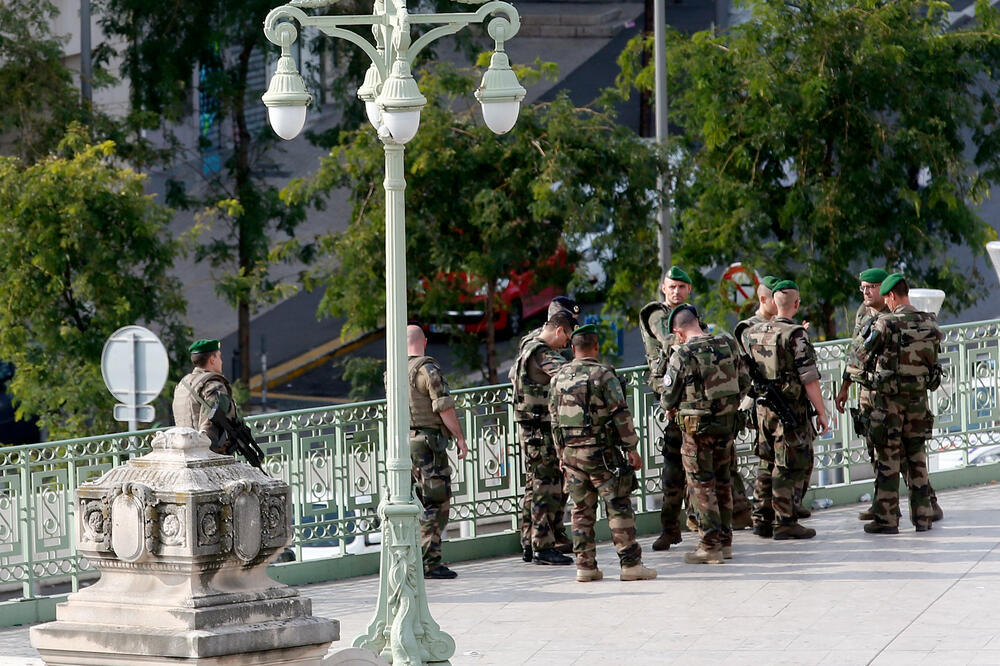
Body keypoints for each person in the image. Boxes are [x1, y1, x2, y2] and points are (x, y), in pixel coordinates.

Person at [641, 266, 752, 550]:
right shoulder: (658, 314)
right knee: (676, 471)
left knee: (713, 472)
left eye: (681, 287)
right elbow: (672, 341)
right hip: (678, 402)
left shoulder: (689, 320)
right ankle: (671, 528)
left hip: (699, 404)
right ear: (663, 288)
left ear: (689, 290)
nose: (676, 291)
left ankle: (716, 531)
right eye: (671, 286)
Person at [549, 324, 657, 582]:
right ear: (596, 347)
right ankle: (630, 565)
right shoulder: (604, 375)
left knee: (581, 511)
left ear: (573, 349)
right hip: (603, 455)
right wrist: (632, 449)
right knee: (618, 506)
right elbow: (621, 414)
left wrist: (561, 454)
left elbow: (553, 421)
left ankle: (585, 567)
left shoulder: (557, 378)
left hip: (571, 456)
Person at [835, 268, 943, 523]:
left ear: (889, 294)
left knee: (891, 456)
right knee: (909, 455)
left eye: (872, 288)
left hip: (889, 399)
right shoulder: (928, 320)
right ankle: (919, 513)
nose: (866, 292)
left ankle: (890, 516)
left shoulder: (886, 321)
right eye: (863, 288)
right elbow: (933, 363)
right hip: (911, 398)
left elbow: (860, 354)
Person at [660, 305, 750, 564]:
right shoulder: (728, 342)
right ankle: (725, 542)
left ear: (677, 332)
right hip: (727, 425)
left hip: (697, 431)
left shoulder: (683, 353)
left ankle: (709, 545)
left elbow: (668, 397)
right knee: (723, 481)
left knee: (702, 486)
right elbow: (744, 381)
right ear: (698, 322)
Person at [744, 281, 830, 539]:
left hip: (763, 408)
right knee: (785, 464)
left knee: (766, 461)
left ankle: (761, 518)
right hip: (789, 410)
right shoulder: (795, 334)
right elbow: (809, 377)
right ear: (796, 304)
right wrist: (822, 411)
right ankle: (785, 521)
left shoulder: (755, 331)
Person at [509, 314, 575, 565]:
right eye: (567, 338)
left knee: (534, 486)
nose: (566, 345)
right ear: (559, 331)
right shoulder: (543, 353)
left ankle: (529, 543)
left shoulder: (528, 344)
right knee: (546, 488)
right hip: (541, 430)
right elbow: (568, 378)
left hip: (529, 428)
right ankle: (543, 547)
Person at [406, 325, 469, 579]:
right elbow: (443, 407)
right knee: (437, 502)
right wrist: (460, 437)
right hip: (428, 444)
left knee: (415, 502)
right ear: (425, 342)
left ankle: (413, 559)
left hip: (405, 444)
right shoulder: (427, 369)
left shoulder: (395, 370)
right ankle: (429, 562)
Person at [172, 338, 238, 454]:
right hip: (202, 457)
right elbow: (209, 427)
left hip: (182, 452)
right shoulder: (214, 386)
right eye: (219, 357)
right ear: (212, 359)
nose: (221, 361)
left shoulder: (183, 384)